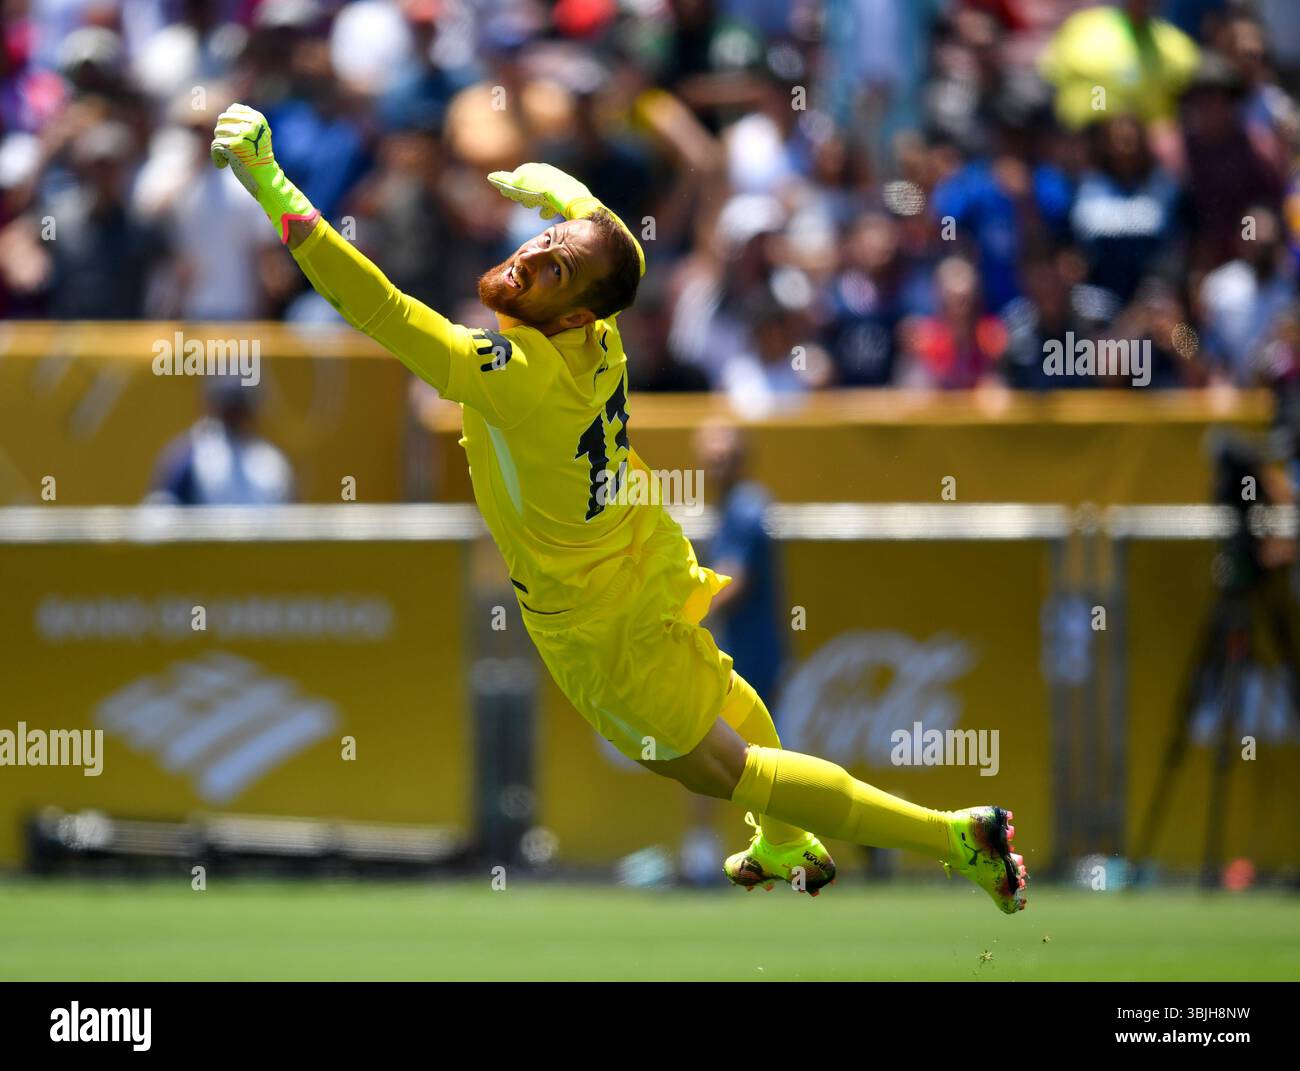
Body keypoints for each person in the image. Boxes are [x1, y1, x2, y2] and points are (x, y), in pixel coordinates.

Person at [208, 102, 1028, 912]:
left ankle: (952, 836)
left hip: (594, 623)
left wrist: (271, 182)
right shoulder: (599, 333)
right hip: (638, 560)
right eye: (542, 244)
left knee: (717, 768)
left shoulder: (516, 371)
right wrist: (566, 200)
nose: (533, 256)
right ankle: (782, 842)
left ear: (569, 310)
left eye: (555, 266)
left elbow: (375, 306)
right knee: (729, 696)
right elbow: (615, 245)